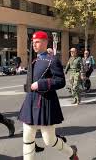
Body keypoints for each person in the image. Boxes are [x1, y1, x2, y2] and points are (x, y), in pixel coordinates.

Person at [18, 31, 79, 160]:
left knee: (49, 140)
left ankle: (71, 153)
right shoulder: (34, 60)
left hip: (44, 103)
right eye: (33, 42)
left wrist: (41, 84)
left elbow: (60, 81)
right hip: (31, 102)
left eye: (37, 42)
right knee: (27, 139)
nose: (34, 45)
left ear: (45, 42)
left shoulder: (52, 61)